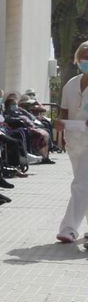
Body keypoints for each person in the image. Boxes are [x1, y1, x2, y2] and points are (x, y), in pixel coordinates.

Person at [57, 41, 88, 242]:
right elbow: (63, 112)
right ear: (77, 60)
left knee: (81, 184)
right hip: (74, 143)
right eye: (83, 57)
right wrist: (60, 130)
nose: (86, 61)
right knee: (84, 185)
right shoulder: (71, 84)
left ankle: (68, 228)